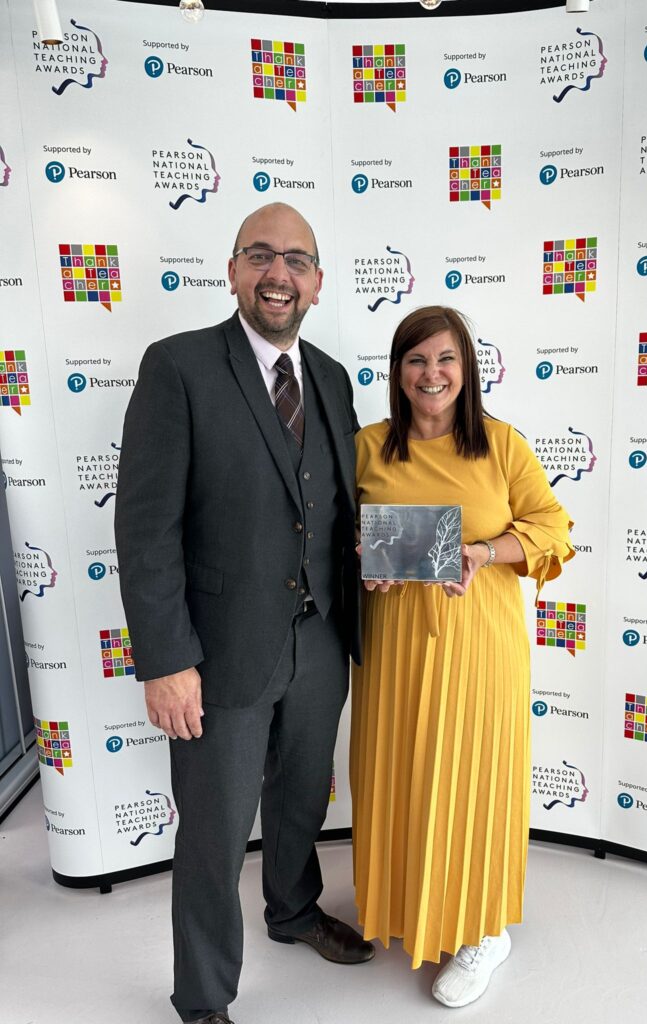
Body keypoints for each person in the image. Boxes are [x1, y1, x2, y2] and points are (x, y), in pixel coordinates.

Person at [115, 202, 373, 1024]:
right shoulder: (178, 367)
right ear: (231, 271)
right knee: (214, 835)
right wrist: (163, 659)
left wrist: (420, 558)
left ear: (318, 283)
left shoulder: (331, 377)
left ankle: (293, 912)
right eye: (260, 256)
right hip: (218, 655)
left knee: (301, 798)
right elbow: (146, 526)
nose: (278, 274)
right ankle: (203, 998)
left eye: (296, 260)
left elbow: (339, 508)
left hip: (321, 641)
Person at [350, 306, 574, 1008]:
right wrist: (363, 561)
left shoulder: (501, 445)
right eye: (416, 360)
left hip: (480, 647)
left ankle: (483, 930)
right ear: (397, 373)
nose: (431, 374)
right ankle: (407, 907)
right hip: (393, 650)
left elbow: (552, 529)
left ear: (467, 368)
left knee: (473, 779)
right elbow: (337, 537)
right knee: (402, 771)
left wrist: (482, 551)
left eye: (445, 359)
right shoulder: (367, 446)